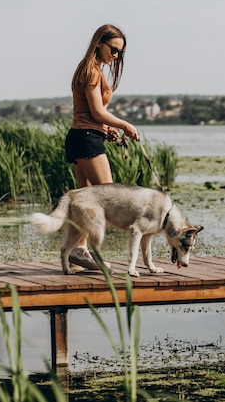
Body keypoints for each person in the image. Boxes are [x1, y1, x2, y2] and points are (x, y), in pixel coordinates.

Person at [64, 24, 140, 269]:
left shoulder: (87, 69)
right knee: (108, 197)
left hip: (82, 135)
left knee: (85, 200)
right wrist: (125, 124)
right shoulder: (93, 72)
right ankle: (87, 251)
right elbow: (97, 111)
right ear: (99, 43)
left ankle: (78, 251)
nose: (115, 55)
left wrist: (107, 129)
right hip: (86, 139)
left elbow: (91, 114)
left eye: (120, 52)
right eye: (113, 49)